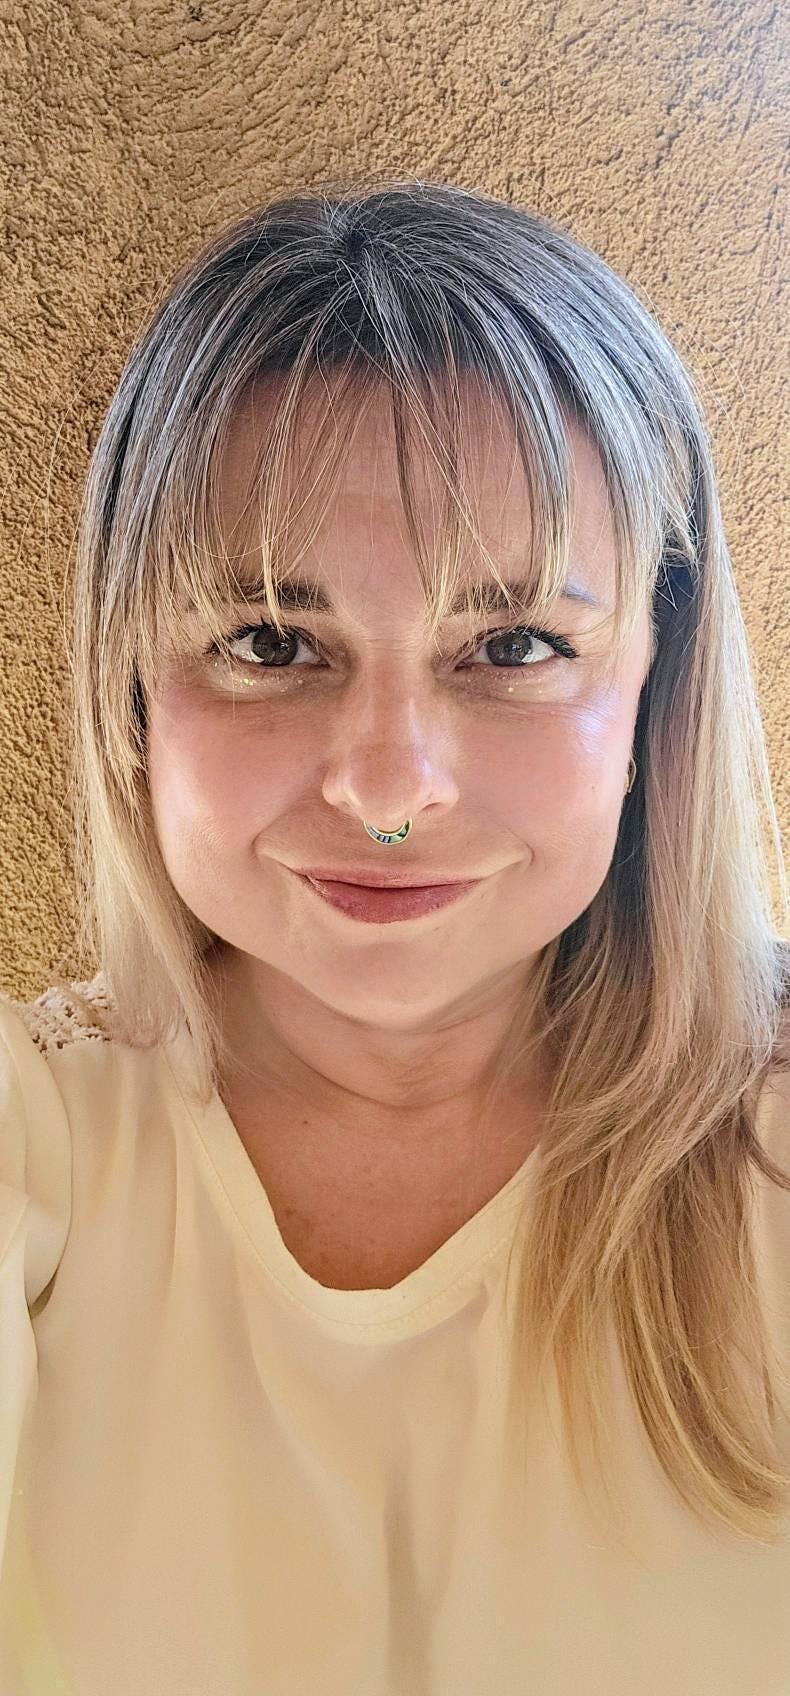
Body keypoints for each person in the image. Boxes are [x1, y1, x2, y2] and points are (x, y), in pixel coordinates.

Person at [0, 179, 788, 1694]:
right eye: (269, 642)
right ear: (133, 686)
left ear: (653, 682)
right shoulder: (38, 1142)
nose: (385, 789)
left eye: (515, 645)